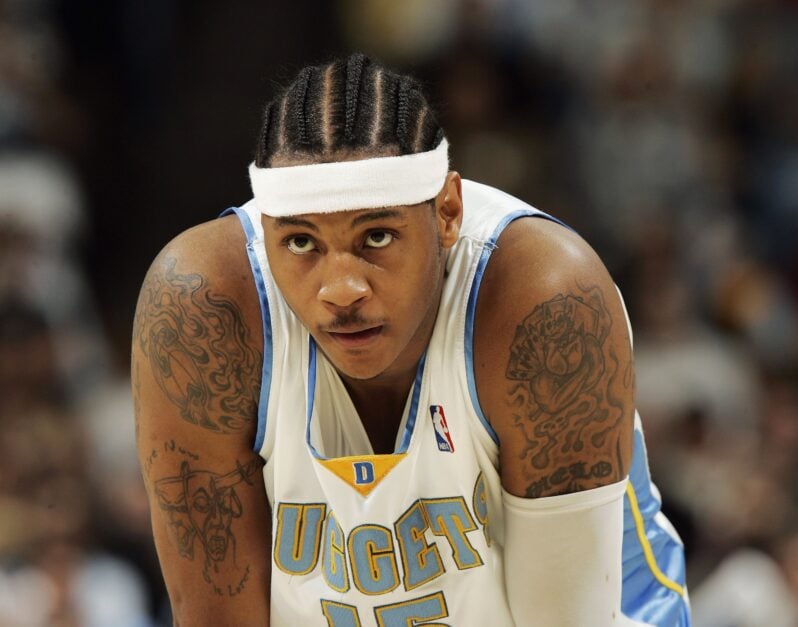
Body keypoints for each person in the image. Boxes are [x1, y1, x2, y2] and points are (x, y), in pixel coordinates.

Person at [132, 53, 690, 626]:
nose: (341, 290)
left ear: (447, 212)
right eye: (301, 243)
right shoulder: (202, 311)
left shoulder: (543, 301)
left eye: (377, 235)